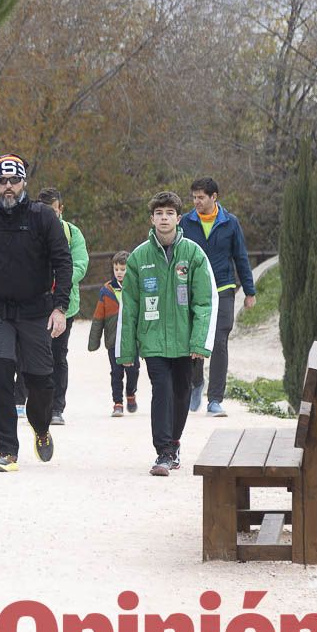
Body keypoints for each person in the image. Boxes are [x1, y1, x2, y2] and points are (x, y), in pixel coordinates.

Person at [0, 153, 72, 473]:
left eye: (14, 180)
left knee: (40, 382)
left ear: (24, 181)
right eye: (2, 181)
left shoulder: (42, 217)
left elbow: (63, 262)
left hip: (36, 310)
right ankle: (7, 451)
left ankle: (41, 427)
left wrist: (60, 307)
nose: (8, 187)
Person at [118, 191, 216, 476]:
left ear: (178, 218)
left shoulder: (193, 254)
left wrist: (199, 342)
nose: (164, 218)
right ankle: (163, 451)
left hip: (185, 343)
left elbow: (204, 302)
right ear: (152, 219)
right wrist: (127, 351)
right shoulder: (139, 257)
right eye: (159, 213)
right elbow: (130, 308)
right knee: (162, 389)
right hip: (153, 341)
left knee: (181, 392)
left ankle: (174, 443)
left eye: (169, 213)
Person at [178, 177, 256, 417]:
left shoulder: (230, 223)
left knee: (220, 341)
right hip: (194, 291)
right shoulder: (186, 223)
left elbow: (241, 257)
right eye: (194, 197)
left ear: (214, 197)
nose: (196, 202)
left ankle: (215, 399)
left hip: (223, 289)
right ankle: (195, 383)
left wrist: (250, 291)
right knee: (194, 339)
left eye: (201, 197)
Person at [12, 187, 88, 425]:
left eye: (54, 211)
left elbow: (80, 264)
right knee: (25, 353)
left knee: (58, 355)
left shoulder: (72, 233)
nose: (50, 216)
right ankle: (19, 401)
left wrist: (57, 279)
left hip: (63, 303)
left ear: (61, 210)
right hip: (33, 303)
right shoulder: (28, 228)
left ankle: (56, 407)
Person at [88, 250, 139, 417]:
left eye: (123, 269)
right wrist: (94, 341)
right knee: (116, 372)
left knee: (133, 371)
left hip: (132, 341)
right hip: (113, 340)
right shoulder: (106, 290)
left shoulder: (136, 288)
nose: (119, 272)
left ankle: (130, 393)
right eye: (117, 269)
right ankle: (118, 403)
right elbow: (98, 318)